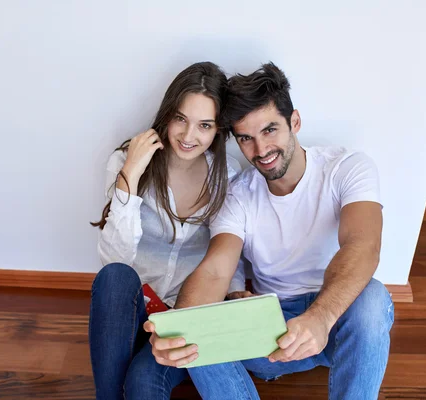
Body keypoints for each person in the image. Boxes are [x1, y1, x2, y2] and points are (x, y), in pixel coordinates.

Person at [144, 62, 394, 400]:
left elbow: (363, 245)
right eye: (246, 138)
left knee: (374, 299)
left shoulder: (347, 167)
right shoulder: (237, 193)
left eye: (270, 130)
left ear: (295, 122)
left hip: (337, 319)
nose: (260, 150)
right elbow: (217, 269)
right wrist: (181, 329)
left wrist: (320, 319)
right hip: (271, 331)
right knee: (196, 331)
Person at [88, 61, 247, 400]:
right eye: (181, 119)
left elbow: (229, 249)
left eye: (204, 125)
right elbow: (114, 260)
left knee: (143, 381)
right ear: (167, 114)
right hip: (129, 308)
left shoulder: (228, 177)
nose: (190, 137)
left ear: (218, 129)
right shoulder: (127, 161)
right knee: (114, 276)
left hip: (182, 314)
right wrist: (131, 174)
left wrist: (234, 293)